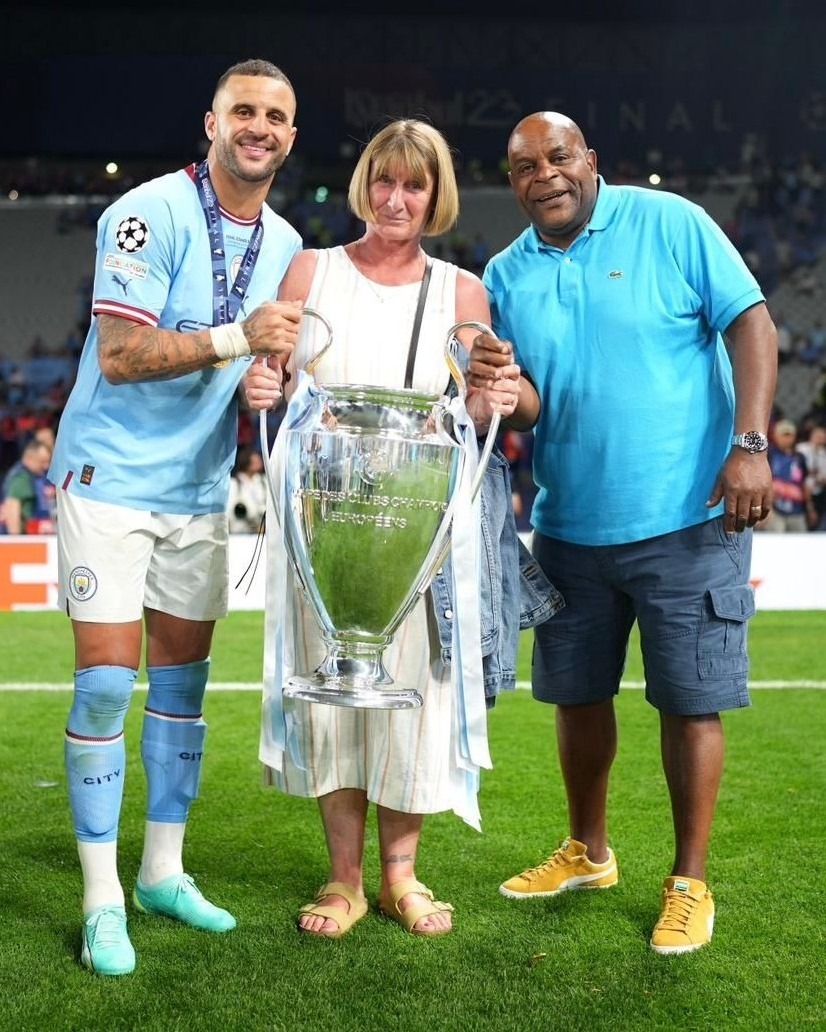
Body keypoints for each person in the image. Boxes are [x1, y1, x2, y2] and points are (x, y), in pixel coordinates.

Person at [468, 111, 778, 955]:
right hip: (569, 523)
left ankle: (689, 881)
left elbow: (751, 321)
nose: (544, 175)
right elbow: (531, 405)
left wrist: (751, 445)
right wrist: (498, 382)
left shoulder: (669, 221)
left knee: (690, 701)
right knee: (577, 696)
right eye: (524, 166)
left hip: (688, 517)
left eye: (558, 156)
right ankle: (588, 850)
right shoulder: (505, 270)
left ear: (590, 160)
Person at [47, 58, 303, 976]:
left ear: (290, 137)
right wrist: (241, 340)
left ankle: (161, 871)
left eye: (275, 115)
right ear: (211, 121)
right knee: (110, 685)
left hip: (196, 491)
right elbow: (118, 353)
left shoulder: (285, 244)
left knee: (184, 690)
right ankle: (101, 896)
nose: (258, 126)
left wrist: (266, 379)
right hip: (108, 480)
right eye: (244, 109)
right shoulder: (148, 212)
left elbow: (266, 366)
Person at [251, 119, 536, 940]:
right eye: (383, 180)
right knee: (333, 696)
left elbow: (477, 410)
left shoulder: (462, 291)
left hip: (420, 531)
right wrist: (258, 389)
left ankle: (401, 875)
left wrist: (496, 394)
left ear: (435, 195)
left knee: (414, 698)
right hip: (324, 522)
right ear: (363, 186)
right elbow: (270, 374)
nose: (396, 198)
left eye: (414, 184)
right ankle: (344, 878)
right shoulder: (311, 270)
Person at [761, 419, 812, 532]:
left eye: (790, 435)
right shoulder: (769, 455)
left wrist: (810, 508)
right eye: (784, 435)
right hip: (776, 510)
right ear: (776, 436)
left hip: (797, 510)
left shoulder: (800, 457)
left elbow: (805, 483)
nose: (787, 438)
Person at [0, 437, 54, 534]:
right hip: (23, 539)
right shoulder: (21, 478)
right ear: (29, 458)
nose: (46, 466)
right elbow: (12, 509)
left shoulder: (34, 476)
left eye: (47, 462)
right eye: (42, 462)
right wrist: (16, 541)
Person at [226, 445, 268, 533]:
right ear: (247, 462)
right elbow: (230, 510)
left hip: (260, 530)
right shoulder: (235, 483)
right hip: (239, 531)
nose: (259, 463)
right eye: (255, 461)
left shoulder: (263, 481)